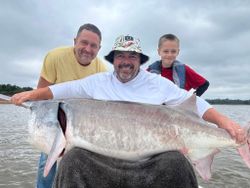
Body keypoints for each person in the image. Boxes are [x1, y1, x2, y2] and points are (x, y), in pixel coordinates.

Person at [11, 35, 246, 188]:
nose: (125, 61)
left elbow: (197, 104)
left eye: (131, 56)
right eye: (120, 56)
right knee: (72, 160)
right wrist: (30, 95)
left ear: (140, 60)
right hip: (102, 160)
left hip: (152, 160)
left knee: (177, 164)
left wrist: (228, 125)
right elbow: (59, 90)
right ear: (113, 59)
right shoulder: (97, 82)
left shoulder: (158, 83)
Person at [36, 23, 107, 188]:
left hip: (82, 123)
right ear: (75, 41)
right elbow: (41, 94)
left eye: (93, 46)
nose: (88, 49)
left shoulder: (101, 70)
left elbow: (99, 108)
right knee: (45, 164)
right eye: (84, 42)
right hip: (54, 118)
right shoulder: (54, 57)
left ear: (99, 48)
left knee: (83, 163)